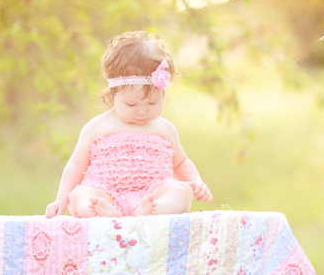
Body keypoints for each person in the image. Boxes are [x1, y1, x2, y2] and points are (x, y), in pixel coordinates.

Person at [45, 31, 212, 219]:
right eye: (131, 104)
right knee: (81, 195)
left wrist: (196, 182)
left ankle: (156, 207)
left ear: (163, 95)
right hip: (106, 192)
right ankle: (102, 211)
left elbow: (181, 162)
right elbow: (76, 165)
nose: (142, 111)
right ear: (112, 95)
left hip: (153, 192)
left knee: (181, 190)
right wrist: (61, 199)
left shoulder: (165, 129)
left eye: (151, 103)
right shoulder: (98, 126)